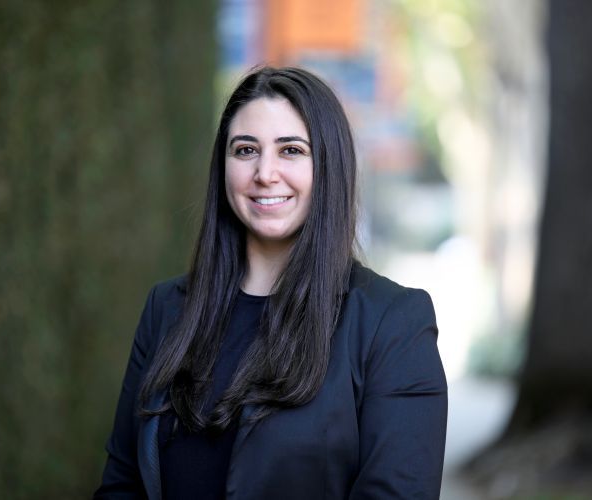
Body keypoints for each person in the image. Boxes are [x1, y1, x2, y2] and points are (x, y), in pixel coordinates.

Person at [94, 66, 447, 500]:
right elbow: (123, 484)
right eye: (245, 150)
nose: (265, 173)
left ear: (329, 165)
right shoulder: (167, 308)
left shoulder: (392, 324)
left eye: (291, 150)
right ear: (222, 167)